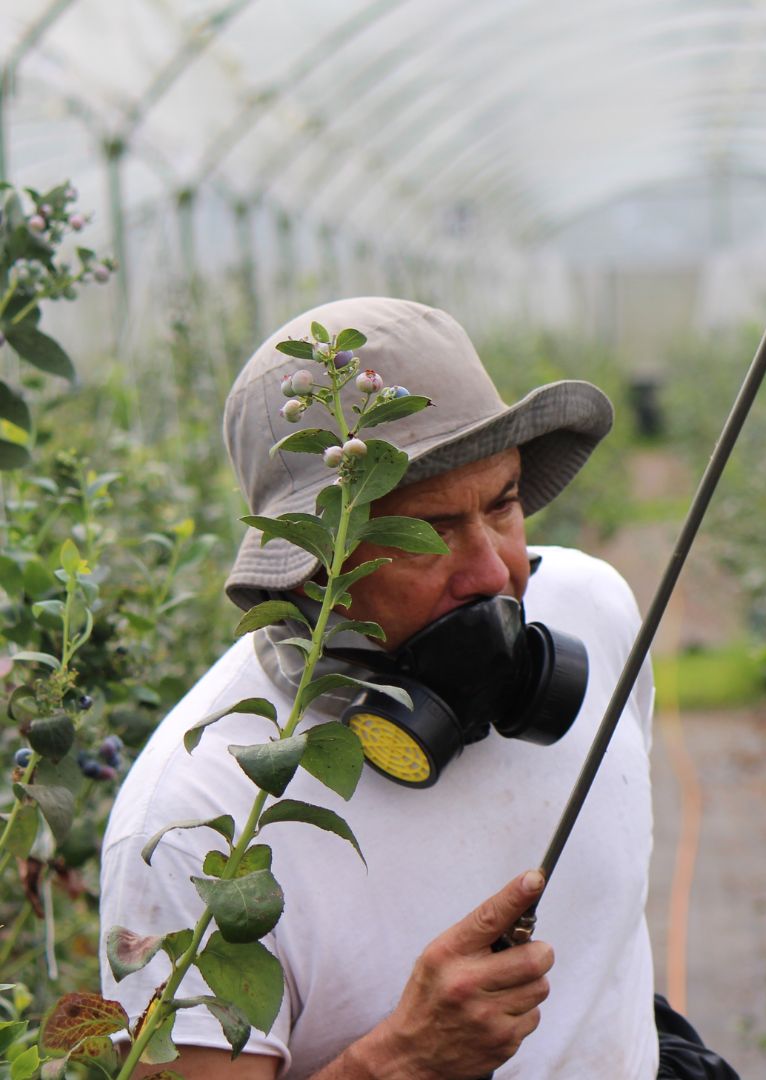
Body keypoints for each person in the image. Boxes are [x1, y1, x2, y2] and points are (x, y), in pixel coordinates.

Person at [97, 297, 705, 1078]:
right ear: (313, 563)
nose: (497, 573)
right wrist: (401, 1060)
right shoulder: (196, 827)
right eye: (430, 532)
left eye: (504, 503)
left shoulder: (596, 610)